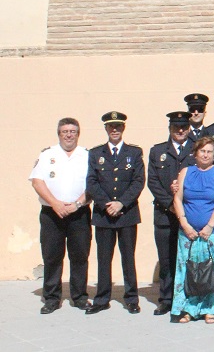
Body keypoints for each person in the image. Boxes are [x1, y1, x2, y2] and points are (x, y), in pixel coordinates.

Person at [29, 117, 92, 314]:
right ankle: (52, 298)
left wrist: (78, 204)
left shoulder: (87, 155)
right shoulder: (48, 154)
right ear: (59, 134)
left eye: (72, 131)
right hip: (51, 214)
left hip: (78, 213)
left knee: (80, 256)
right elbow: (37, 182)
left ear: (78, 134)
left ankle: (79, 297)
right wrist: (56, 204)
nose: (68, 135)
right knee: (52, 257)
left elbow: (94, 185)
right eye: (65, 131)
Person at [85, 111, 145, 314]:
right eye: (111, 126)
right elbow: (91, 182)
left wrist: (121, 203)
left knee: (128, 257)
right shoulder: (96, 154)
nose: (114, 130)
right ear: (106, 129)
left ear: (123, 128)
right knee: (103, 258)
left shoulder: (134, 153)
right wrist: (106, 204)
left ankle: (131, 298)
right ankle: (101, 299)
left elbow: (138, 181)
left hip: (127, 214)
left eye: (118, 126)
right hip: (103, 215)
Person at [171, 136, 214, 324]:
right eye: (202, 151)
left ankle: (208, 309)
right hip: (187, 231)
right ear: (195, 153)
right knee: (186, 269)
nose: (205, 154)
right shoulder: (185, 172)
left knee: (207, 270)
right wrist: (185, 224)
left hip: (211, 231)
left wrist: (210, 225)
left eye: (209, 151)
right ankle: (186, 309)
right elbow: (178, 199)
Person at [147, 111, 196, 316]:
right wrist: (171, 204)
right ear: (170, 129)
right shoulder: (157, 151)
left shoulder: (197, 149)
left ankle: (187, 298)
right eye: (176, 127)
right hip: (165, 214)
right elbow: (153, 182)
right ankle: (166, 299)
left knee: (190, 258)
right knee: (166, 259)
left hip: (191, 214)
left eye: (184, 127)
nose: (180, 130)